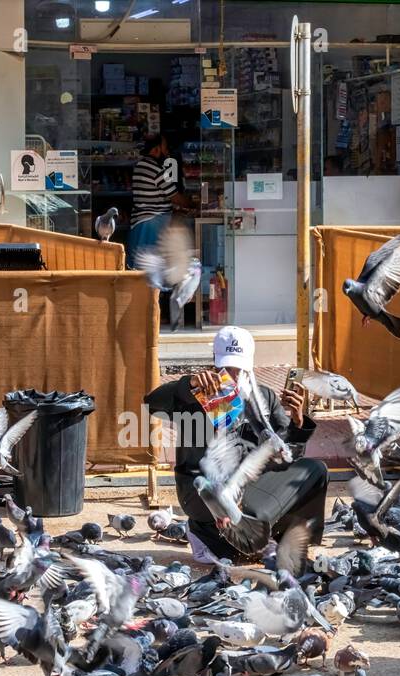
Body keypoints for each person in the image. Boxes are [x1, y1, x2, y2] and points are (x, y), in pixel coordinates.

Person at [144, 326, 327, 563]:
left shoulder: (264, 398)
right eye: (225, 367)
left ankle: (290, 540)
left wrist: (297, 422)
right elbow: (151, 404)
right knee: (248, 510)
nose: (231, 375)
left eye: (238, 368)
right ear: (214, 363)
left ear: (249, 366)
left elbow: (290, 457)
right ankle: (209, 536)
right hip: (202, 491)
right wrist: (187, 386)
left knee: (315, 471)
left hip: (246, 486)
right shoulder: (195, 394)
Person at [126, 134, 189, 269]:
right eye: (164, 148)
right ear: (156, 150)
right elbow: (176, 197)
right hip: (152, 225)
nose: (167, 152)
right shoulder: (157, 170)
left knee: (140, 272)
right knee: (152, 272)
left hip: (140, 224)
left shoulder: (140, 166)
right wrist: (194, 203)